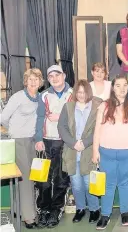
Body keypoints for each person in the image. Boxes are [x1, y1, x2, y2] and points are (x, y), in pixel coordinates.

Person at [92, 75, 128, 230]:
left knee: (124, 183)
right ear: (113, 88)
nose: (122, 89)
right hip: (106, 151)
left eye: (125, 85)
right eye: (118, 85)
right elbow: (97, 130)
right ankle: (105, 214)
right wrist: (95, 151)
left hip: (127, 151)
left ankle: (125, 212)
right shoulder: (104, 106)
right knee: (108, 184)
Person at [1, 68, 43, 229]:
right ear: (25, 81)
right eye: (30, 79)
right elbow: (3, 118)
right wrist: (13, 130)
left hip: (33, 141)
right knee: (25, 179)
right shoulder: (18, 97)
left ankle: (21, 210)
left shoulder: (39, 98)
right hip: (19, 141)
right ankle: (30, 218)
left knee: (33, 178)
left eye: (36, 79)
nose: (33, 82)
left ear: (40, 82)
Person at [34, 65, 73, 228]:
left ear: (64, 75)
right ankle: (43, 209)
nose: (55, 78)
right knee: (42, 178)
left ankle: (56, 209)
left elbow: (76, 118)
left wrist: (61, 117)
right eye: (51, 76)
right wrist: (38, 139)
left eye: (57, 75)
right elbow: (39, 117)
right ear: (48, 80)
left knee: (60, 178)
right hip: (46, 141)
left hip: (64, 142)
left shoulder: (73, 95)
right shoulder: (43, 95)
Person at [58, 80, 102, 224]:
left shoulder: (97, 106)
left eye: (84, 92)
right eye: (79, 92)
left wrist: (85, 142)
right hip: (72, 152)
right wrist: (73, 143)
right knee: (76, 184)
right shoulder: (68, 107)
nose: (81, 95)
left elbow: (99, 128)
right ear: (75, 93)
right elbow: (62, 127)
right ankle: (80, 209)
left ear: (88, 92)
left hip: (89, 151)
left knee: (89, 183)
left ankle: (95, 209)